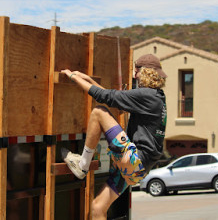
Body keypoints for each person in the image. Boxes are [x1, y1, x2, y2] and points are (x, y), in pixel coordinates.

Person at [61, 53, 167, 220]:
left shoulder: (146, 95)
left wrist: (73, 76)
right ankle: (82, 164)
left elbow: (106, 98)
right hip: (137, 169)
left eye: (137, 72)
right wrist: (87, 79)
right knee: (97, 208)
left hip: (135, 160)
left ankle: (82, 164)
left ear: (145, 73)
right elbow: (111, 97)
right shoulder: (156, 97)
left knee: (98, 112)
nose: (135, 76)